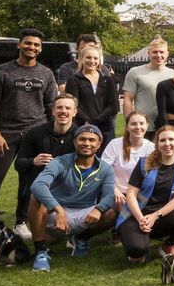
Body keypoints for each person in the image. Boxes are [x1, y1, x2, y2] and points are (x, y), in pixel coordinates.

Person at [0, 28, 58, 228]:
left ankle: (21, 222)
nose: (32, 47)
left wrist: (51, 135)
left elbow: (51, 106)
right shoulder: (3, 71)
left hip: (35, 135)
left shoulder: (46, 73)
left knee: (28, 183)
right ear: (19, 44)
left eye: (36, 45)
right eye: (28, 43)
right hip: (6, 134)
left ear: (40, 49)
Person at [28, 124, 117, 271]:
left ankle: (81, 238)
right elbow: (38, 185)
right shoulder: (60, 161)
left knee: (112, 211)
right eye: (82, 139)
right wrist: (58, 209)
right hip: (55, 214)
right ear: (75, 142)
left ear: (99, 144)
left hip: (84, 215)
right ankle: (41, 252)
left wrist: (99, 209)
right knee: (36, 198)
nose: (86, 143)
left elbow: (109, 195)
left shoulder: (105, 168)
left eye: (91, 140)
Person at [116, 124, 174, 264]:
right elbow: (130, 194)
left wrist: (154, 216)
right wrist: (141, 219)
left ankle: (167, 245)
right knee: (136, 251)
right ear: (157, 144)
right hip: (135, 215)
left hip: (161, 216)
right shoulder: (144, 163)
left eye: (171, 139)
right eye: (163, 140)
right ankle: (140, 239)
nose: (167, 144)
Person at [11, 93, 79, 237]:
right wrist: (33, 161)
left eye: (68, 108)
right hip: (43, 185)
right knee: (31, 182)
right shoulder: (35, 133)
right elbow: (18, 164)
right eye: (59, 107)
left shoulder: (80, 135)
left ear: (74, 112)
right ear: (53, 111)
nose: (63, 111)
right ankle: (23, 222)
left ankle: (76, 231)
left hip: (69, 185)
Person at [100, 112, 153, 221]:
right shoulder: (115, 144)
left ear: (147, 126)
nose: (138, 127)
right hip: (116, 192)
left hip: (139, 194)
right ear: (127, 127)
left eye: (141, 123)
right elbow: (102, 171)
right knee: (109, 214)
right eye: (133, 124)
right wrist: (115, 191)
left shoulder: (152, 148)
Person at [65, 43, 118, 150]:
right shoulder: (74, 80)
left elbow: (114, 106)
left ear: (99, 60)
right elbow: (73, 104)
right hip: (81, 127)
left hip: (105, 128)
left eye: (95, 58)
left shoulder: (107, 80)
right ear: (81, 59)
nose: (92, 61)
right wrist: (88, 122)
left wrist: (98, 120)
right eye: (88, 57)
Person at [121, 38, 174, 138]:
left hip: (167, 126)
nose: (158, 55)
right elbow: (128, 99)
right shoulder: (135, 72)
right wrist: (129, 122)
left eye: (161, 52)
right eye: (155, 52)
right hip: (142, 127)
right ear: (148, 53)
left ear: (167, 54)